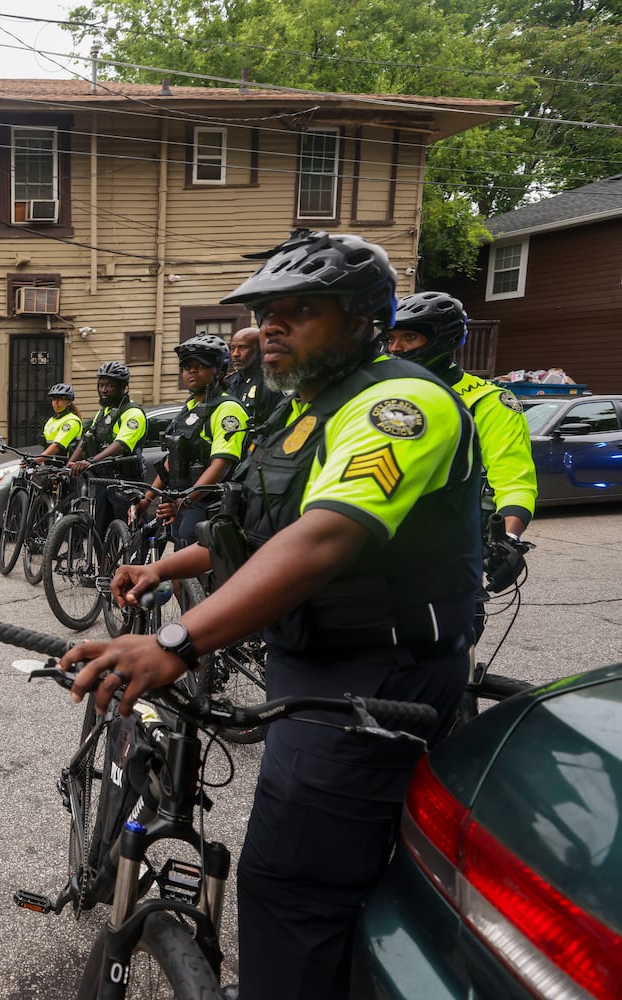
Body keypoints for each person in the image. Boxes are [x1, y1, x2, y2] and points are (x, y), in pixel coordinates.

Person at [63, 231, 481, 1000]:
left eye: (301, 310)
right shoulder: (302, 413)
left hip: (373, 675)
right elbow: (257, 536)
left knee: (290, 887)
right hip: (309, 659)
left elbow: (322, 539)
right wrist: (163, 567)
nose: (271, 326)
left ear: (363, 321)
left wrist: (178, 641)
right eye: (264, 311)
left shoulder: (400, 403)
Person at [387, 292, 537, 542]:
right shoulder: (378, 395)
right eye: (390, 338)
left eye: (409, 337)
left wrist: (509, 538)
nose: (395, 348)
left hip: (450, 545)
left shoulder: (485, 401)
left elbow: (514, 480)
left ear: (443, 340)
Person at [134, 336, 249, 548]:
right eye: (187, 366)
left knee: (190, 574)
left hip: (207, 506)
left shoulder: (227, 409)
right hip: (181, 502)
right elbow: (172, 460)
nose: (192, 371)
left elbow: (221, 464)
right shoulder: (189, 408)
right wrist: (147, 499)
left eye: (201, 365)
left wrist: (185, 502)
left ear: (220, 370)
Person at [68, 361, 149, 527]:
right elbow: (87, 438)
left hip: (126, 482)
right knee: (100, 532)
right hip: (103, 481)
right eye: (101, 385)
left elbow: (121, 444)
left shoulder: (133, 413)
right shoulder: (103, 412)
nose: (103, 390)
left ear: (123, 387)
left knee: (131, 532)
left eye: (110, 386)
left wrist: (91, 461)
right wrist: (71, 463)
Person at [222, 325, 280, 436]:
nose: (235, 354)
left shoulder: (273, 383)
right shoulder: (228, 382)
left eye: (242, 348)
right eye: (232, 348)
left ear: (260, 349)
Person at [38, 383, 84, 460]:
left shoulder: (72, 421)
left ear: (69, 402)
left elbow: (57, 446)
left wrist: (37, 460)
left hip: (65, 467)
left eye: (61, 399)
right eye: (54, 399)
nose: (56, 402)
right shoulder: (51, 420)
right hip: (50, 466)